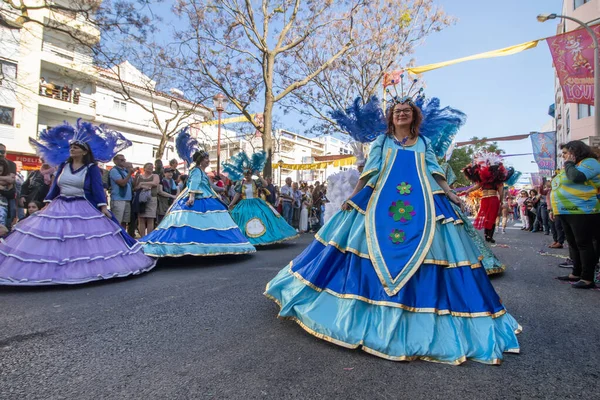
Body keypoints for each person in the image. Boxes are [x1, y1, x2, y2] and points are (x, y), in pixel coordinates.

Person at [265, 93, 520, 364]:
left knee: (441, 250)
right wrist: (354, 196)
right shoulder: (382, 141)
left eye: (406, 111)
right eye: (397, 111)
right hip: (379, 203)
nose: (401, 114)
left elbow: (435, 172)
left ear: (414, 116)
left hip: (424, 202)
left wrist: (449, 193)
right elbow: (369, 172)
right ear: (391, 117)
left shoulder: (424, 142)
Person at [0, 120, 156, 285]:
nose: (72, 148)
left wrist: (103, 207)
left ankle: (78, 270)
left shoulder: (91, 168)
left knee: (79, 240)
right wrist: (47, 202)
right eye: (71, 146)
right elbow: (55, 187)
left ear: (84, 151)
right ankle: (54, 271)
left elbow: (96, 189)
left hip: (83, 206)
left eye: (76, 146)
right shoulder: (63, 166)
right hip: (59, 205)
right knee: (56, 238)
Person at [141, 128, 255, 257]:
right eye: (206, 158)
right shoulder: (196, 171)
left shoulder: (203, 173)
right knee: (193, 222)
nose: (208, 160)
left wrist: (222, 189)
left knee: (210, 221)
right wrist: (191, 197)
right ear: (201, 160)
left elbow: (211, 186)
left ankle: (211, 243)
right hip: (197, 197)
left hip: (207, 195)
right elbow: (193, 184)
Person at [552, 141, 600, 289]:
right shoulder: (571, 165)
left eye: (566, 153)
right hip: (565, 210)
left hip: (582, 210)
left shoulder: (590, 162)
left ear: (575, 152)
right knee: (572, 244)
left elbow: (576, 177)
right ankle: (576, 272)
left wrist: (569, 163)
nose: (564, 156)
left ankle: (587, 278)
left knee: (583, 244)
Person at [225, 151, 298, 246]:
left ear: (251, 174)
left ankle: (265, 236)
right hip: (244, 204)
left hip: (256, 203)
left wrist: (259, 175)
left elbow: (265, 184)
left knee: (262, 215)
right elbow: (237, 194)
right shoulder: (241, 184)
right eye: (245, 174)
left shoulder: (256, 182)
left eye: (248, 174)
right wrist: (231, 203)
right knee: (240, 216)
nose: (247, 176)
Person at [462, 153, 515, 243]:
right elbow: (501, 192)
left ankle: (487, 235)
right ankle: (490, 236)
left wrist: (467, 191)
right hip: (493, 199)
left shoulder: (483, 180)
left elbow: (476, 186)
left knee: (487, 217)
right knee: (492, 218)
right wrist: (501, 201)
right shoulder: (498, 181)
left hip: (485, 199)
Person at [134, 163, 159, 237]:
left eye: (152, 167)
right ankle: (142, 237)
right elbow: (135, 187)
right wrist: (145, 186)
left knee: (150, 219)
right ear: (144, 168)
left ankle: (148, 237)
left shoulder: (155, 175)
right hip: (141, 199)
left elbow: (155, 183)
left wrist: (142, 184)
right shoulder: (139, 176)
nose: (150, 168)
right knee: (141, 218)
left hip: (152, 198)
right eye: (148, 166)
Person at [109, 154, 134, 229]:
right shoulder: (114, 171)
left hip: (127, 199)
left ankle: (123, 238)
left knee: (124, 221)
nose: (123, 162)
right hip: (118, 199)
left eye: (124, 160)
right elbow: (122, 183)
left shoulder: (125, 171)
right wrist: (130, 174)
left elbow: (133, 184)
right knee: (117, 221)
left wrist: (133, 173)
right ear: (115, 161)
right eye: (121, 160)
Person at [0, 159, 15, 226]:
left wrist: (2, 190)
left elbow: (12, 195)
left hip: (3, 207)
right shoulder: (8, 180)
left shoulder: (9, 181)